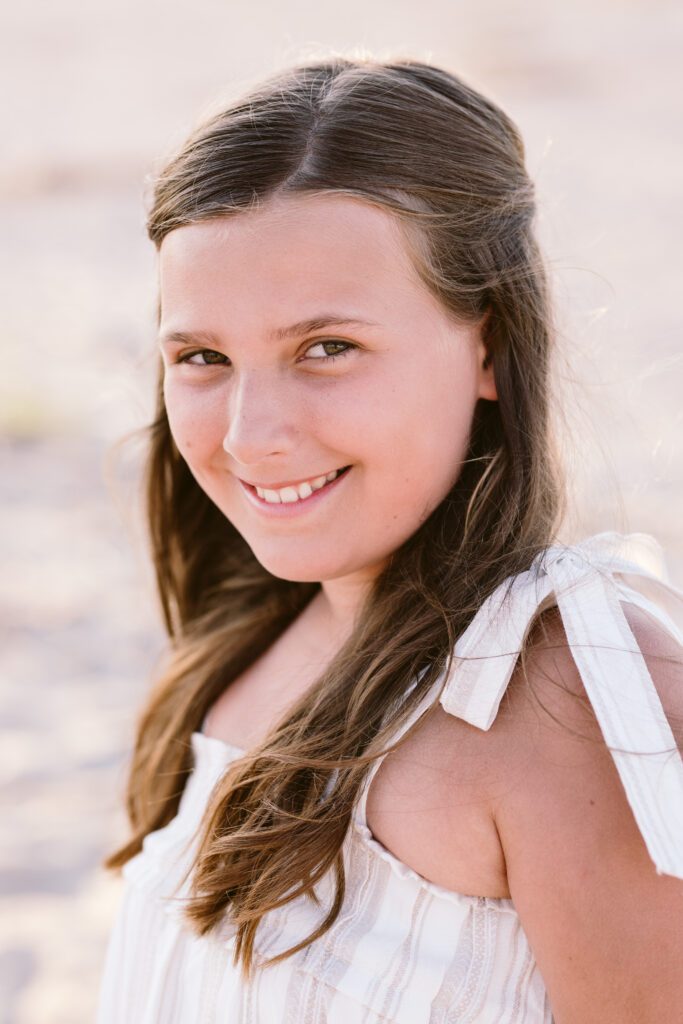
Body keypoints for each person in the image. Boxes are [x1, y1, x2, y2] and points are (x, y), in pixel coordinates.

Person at [96, 56, 683, 1022]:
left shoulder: (573, 694)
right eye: (203, 357)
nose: (249, 434)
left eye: (326, 348)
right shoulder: (244, 642)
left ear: (488, 346)